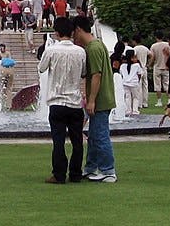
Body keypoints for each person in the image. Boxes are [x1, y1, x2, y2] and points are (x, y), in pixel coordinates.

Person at [39, 17, 87, 184]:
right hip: (74, 102)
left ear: (57, 33)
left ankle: (59, 174)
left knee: (58, 141)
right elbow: (83, 72)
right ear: (72, 32)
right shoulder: (80, 51)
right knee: (77, 141)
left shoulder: (52, 50)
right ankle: (75, 173)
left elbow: (41, 68)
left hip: (57, 101)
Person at [73, 15, 117, 183]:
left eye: (74, 33)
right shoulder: (96, 46)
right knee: (93, 135)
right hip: (101, 97)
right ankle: (91, 166)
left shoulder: (93, 48)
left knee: (100, 134)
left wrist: (91, 100)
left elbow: (96, 75)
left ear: (78, 29)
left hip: (101, 99)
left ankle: (108, 170)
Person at [148, 31, 170, 107]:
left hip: (157, 67)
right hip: (166, 66)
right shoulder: (167, 45)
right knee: (167, 84)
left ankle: (159, 101)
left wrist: (149, 65)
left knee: (157, 85)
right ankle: (169, 100)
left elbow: (152, 57)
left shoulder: (154, 46)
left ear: (156, 37)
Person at [119, 50, 143, 117]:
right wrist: (138, 80)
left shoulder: (123, 65)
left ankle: (128, 110)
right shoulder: (137, 65)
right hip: (134, 83)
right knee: (135, 97)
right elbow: (140, 74)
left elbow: (121, 74)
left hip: (125, 83)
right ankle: (135, 110)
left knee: (127, 97)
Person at [132, 34, 150, 113]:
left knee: (138, 86)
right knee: (145, 86)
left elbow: (134, 57)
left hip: (138, 68)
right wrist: (148, 64)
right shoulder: (145, 48)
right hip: (144, 68)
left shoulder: (135, 48)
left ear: (134, 41)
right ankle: (145, 102)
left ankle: (139, 104)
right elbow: (151, 55)